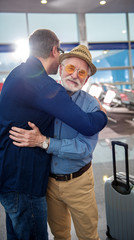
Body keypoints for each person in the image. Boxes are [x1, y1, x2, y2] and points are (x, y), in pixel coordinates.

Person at [0, 30, 108, 240]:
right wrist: (104, 116)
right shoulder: (46, 89)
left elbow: (85, 145)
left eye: (82, 72)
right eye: (69, 67)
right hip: (28, 181)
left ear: (87, 79)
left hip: (73, 182)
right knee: (53, 235)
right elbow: (87, 125)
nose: (74, 75)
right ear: (57, 58)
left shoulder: (19, 73)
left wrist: (45, 142)